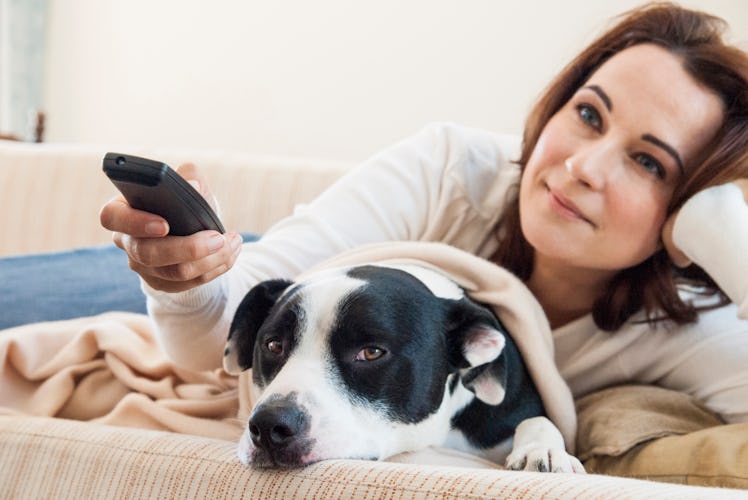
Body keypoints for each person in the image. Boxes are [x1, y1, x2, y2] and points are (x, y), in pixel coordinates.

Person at [100, 0, 748, 431]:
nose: (584, 166)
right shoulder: (450, 169)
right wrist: (183, 281)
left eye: (649, 163)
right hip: (239, 286)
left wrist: (731, 239)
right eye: (587, 114)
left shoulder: (686, 327)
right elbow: (211, 340)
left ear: (691, 206)